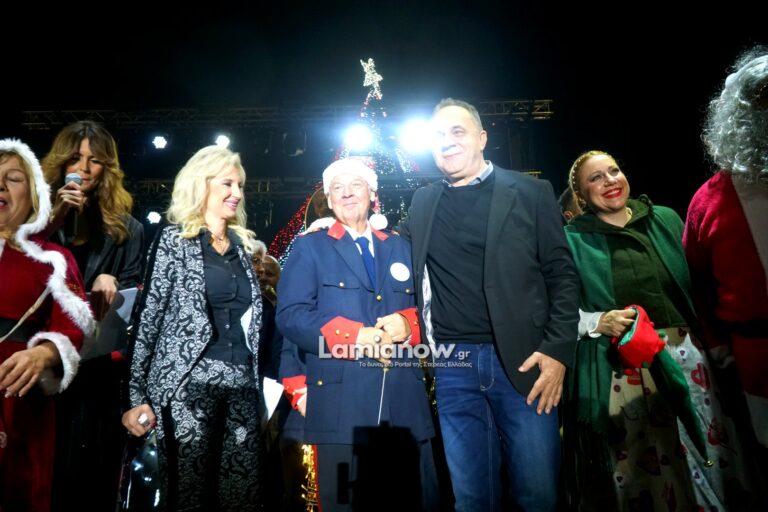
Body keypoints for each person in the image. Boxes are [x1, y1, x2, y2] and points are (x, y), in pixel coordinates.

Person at [395, 98, 579, 511]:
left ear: (482, 138)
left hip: (525, 364)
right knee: (472, 499)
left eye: (457, 132)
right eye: (438, 135)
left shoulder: (531, 192)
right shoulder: (423, 202)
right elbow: (390, 249)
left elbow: (563, 276)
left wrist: (557, 352)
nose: (447, 141)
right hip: (452, 366)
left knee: (538, 495)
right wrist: (332, 224)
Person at [565, 150, 752, 510]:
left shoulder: (664, 219)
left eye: (614, 171)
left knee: (708, 451)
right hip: (625, 369)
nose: (610, 181)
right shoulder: (572, 240)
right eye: (596, 178)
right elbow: (553, 310)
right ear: (581, 195)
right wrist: (597, 321)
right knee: (644, 464)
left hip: (688, 360)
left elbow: (701, 285)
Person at [276, 158, 438, 511]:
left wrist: (409, 325)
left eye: (356, 185)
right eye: (338, 188)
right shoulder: (309, 247)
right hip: (340, 408)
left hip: (404, 407)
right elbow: (290, 316)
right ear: (329, 199)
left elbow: (431, 309)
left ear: (372, 194)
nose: (347, 193)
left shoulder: (402, 247)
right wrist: (355, 336)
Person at [123, 145, 263, 511]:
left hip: (242, 386)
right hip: (187, 387)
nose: (237, 193)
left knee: (241, 498)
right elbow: (148, 319)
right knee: (188, 498)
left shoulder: (243, 249)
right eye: (227, 183)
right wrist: (136, 397)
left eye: (240, 185)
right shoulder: (174, 241)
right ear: (201, 184)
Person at [40, 120, 144, 511]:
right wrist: (54, 217)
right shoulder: (33, 219)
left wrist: (113, 280)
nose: (83, 169)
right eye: (75, 158)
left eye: (94, 160)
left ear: (107, 168)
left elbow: (133, 302)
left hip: (94, 370)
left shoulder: (128, 230)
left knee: (89, 477)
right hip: (42, 364)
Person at [684, 47, 768, 493]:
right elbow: (696, 284)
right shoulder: (710, 200)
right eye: (762, 98)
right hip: (754, 362)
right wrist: (719, 348)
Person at [0, 139, 94, 511]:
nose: (0, 186)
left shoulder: (53, 258)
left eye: (13, 178)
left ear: (35, 195)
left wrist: (45, 353)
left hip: (19, 398)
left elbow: (76, 325)